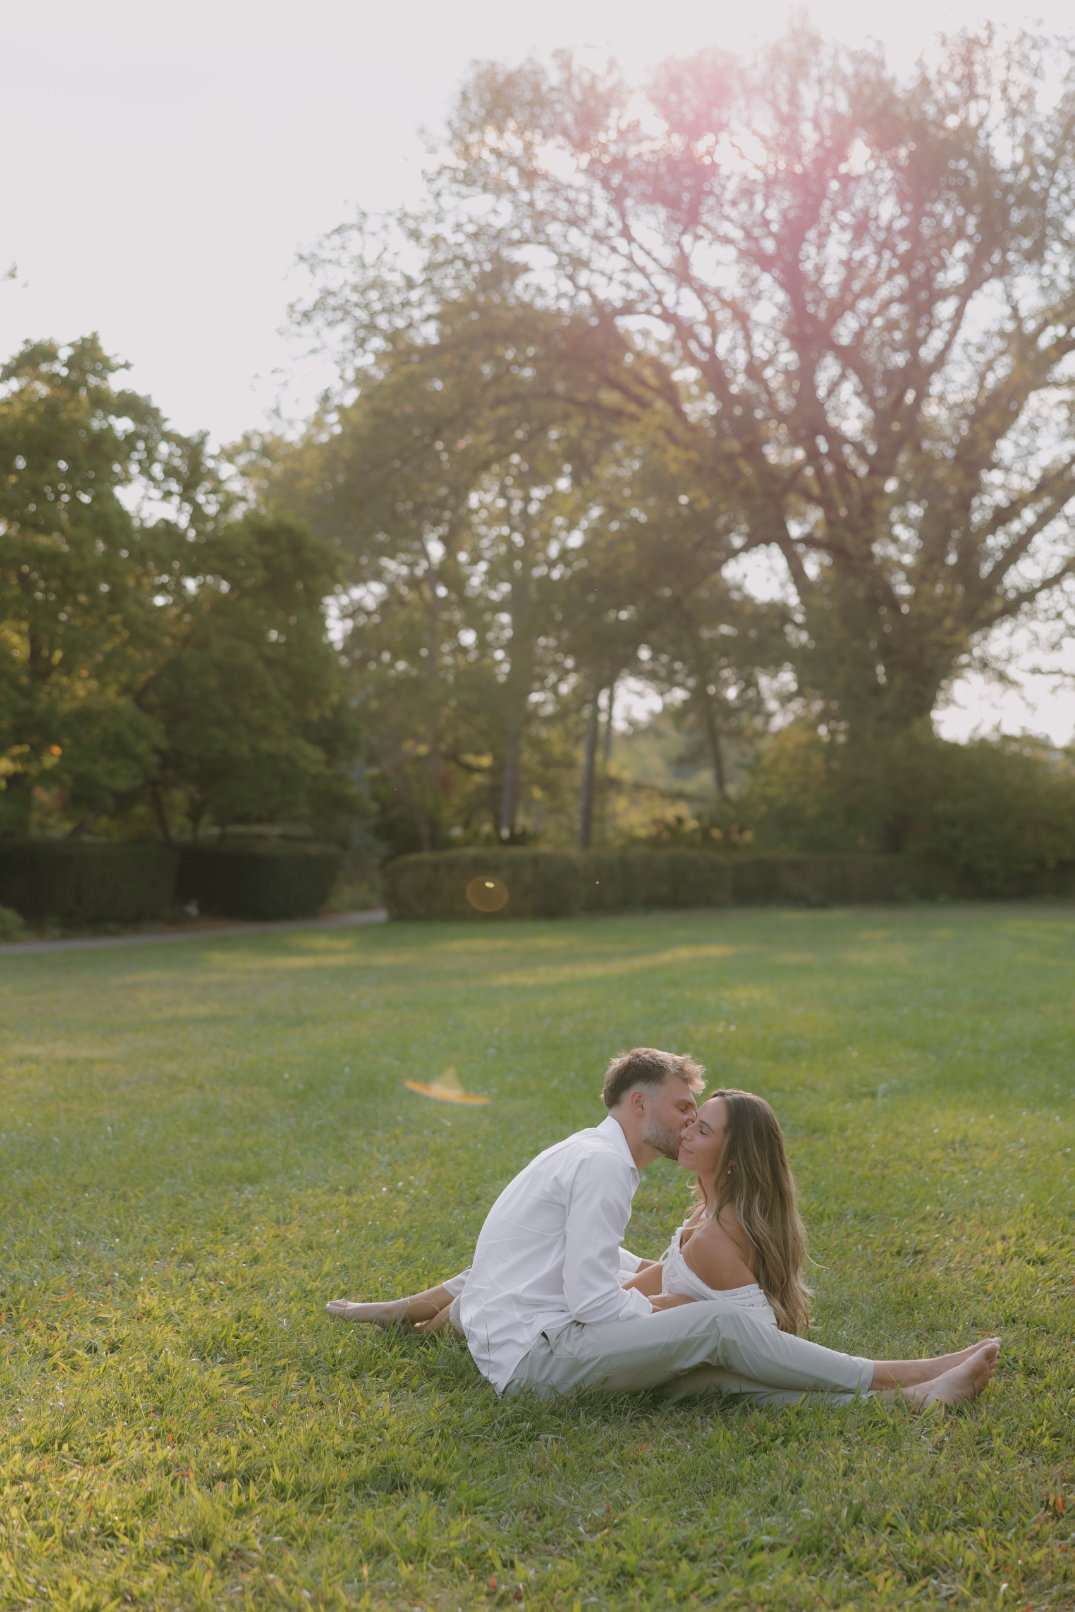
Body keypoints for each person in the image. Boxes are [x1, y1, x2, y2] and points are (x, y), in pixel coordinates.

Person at [327, 1048, 999, 1407]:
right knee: (716, 1330)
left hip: (521, 1347)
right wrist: (662, 1313)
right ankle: (895, 1374)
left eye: (696, 1118)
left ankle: (909, 1403)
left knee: (702, 1381)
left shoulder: (585, 1151)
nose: (686, 1124)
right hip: (534, 1361)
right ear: (639, 1103)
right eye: (683, 1109)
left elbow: (595, 1284)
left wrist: (651, 1312)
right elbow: (596, 1304)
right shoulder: (603, 1169)